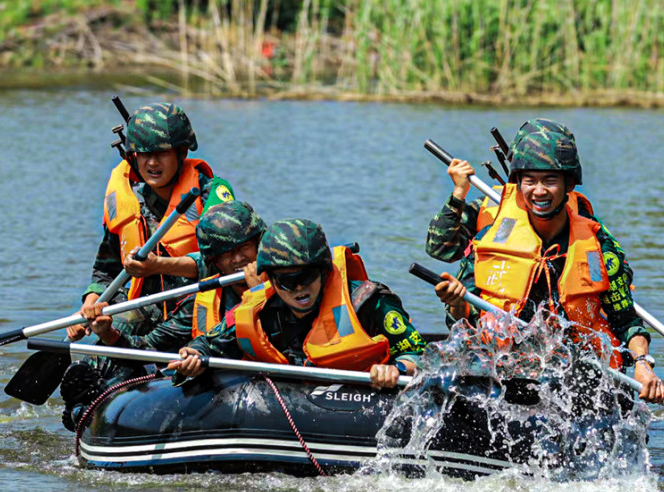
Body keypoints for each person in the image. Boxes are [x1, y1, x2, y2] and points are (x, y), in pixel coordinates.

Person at [431, 121, 664, 404]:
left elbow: (626, 321)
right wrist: (456, 302)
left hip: (575, 373)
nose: (539, 191)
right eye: (529, 180)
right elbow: (461, 320)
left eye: (550, 181)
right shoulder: (491, 239)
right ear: (518, 184)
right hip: (506, 371)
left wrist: (643, 364)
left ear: (569, 184)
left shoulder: (598, 245)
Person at [58, 201, 264, 431]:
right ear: (215, 263)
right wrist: (108, 334)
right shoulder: (201, 304)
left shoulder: (289, 285)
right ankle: (91, 409)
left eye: (243, 248)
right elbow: (147, 351)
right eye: (226, 254)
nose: (237, 260)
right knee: (133, 367)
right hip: (222, 392)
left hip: (278, 388)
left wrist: (258, 294)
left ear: (259, 245)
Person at [168, 219, 425, 389]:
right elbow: (207, 344)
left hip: (361, 394)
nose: (300, 288)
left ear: (324, 271)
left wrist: (398, 368)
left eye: (306, 277)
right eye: (288, 282)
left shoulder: (368, 301)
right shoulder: (257, 310)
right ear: (270, 280)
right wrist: (193, 356)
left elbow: (422, 354)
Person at [66, 102, 235, 342]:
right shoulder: (130, 204)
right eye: (144, 154)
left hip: (204, 303)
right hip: (147, 307)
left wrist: (159, 265)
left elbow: (230, 264)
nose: (152, 163)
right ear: (133, 157)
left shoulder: (210, 196)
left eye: (162, 153)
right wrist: (91, 304)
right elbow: (106, 270)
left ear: (182, 153)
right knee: (106, 346)